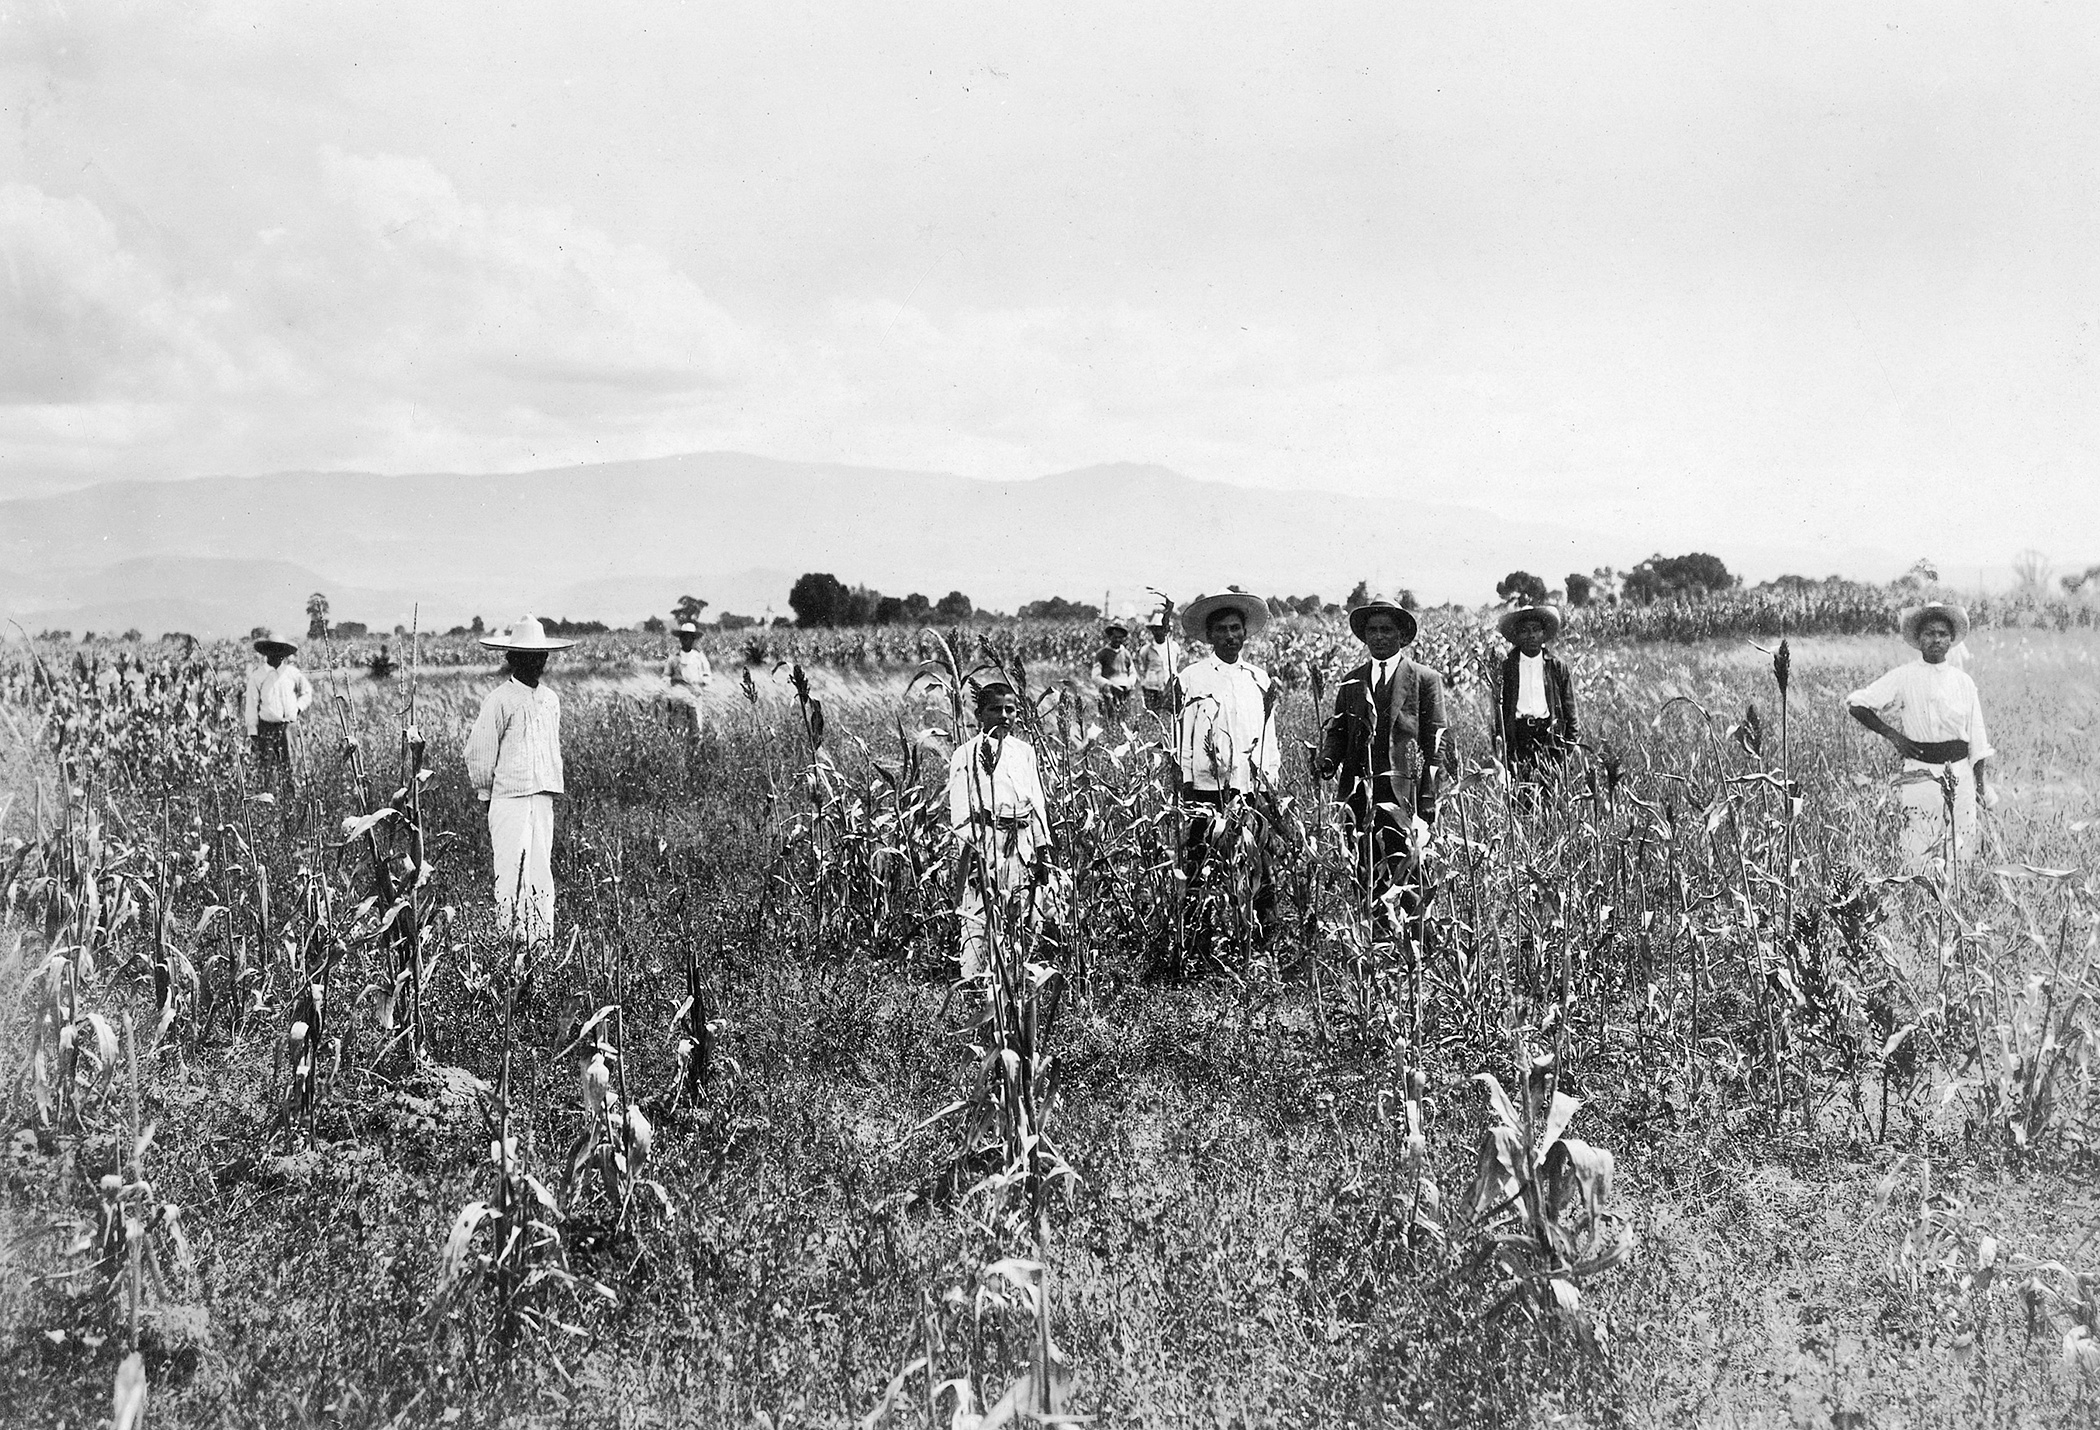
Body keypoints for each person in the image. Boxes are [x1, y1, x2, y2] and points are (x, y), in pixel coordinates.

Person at [1316, 595, 1446, 912]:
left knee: (1410, 869)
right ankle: (1376, 931)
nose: (1379, 637)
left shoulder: (1425, 679)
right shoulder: (1351, 681)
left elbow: (1436, 742)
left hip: (1404, 794)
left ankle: (1417, 932)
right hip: (1361, 794)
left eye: (1386, 630)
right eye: (1372, 630)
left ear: (1401, 635)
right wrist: (1328, 759)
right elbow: (1339, 730)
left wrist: (1428, 795)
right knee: (1366, 870)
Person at [1846, 603, 1996, 875]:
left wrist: (1980, 787)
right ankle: (1919, 893)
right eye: (1929, 633)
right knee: (1918, 846)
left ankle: (1956, 895)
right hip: (1919, 774)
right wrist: (1893, 736)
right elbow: (1856, 703)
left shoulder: (1962, 682)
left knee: (1961, 847)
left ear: (1951, 639)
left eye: (1942, 634)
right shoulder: (1904, 676)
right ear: (1918, 639)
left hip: (1960, 774)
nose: (1936, 640)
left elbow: (1978, 740)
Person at [1173, 590, 1281, 954]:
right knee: (1203, 865)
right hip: (1208, 790)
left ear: (1245, 633)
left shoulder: (1258, 679)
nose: (1230, 636)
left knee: (1258, 863)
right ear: (1210, 635)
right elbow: (1182, 738)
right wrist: (1187, 785)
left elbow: (1268, 738)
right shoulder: (1191, 678)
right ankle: (1199, 945)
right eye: (1221, 630)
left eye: (1236, 628)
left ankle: (1262, 941)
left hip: (1250, 789)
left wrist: (1269, 785)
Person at [465, 615, 575, 952]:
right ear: (513, 658)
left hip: (542, 797)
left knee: (541, 872)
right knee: (512, 872)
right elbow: (479, 751)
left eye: (540, 656)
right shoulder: (500, 699)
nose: (536, 663)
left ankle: (541, 946)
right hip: (509, 799)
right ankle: (511, 945)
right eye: (528, 656)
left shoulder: (550, 699)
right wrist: (486, 792)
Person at [947, 681, 1058, 980]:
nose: (1004, 716)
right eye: (996, 710)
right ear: (979, 714)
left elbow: (1037, 805)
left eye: (1010, 710)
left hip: (1022, 847)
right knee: (980, 919)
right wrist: (974, 860)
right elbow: (961, 815)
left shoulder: (1025, 752)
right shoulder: (965, 754)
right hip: (987, 845)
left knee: (1022, 917)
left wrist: (1043, 851)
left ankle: (1012, 982)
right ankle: (974, 984)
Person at [1492, 605, 1577, 779]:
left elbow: (1570, 711)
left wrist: (1568, 747)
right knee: (1521, 788)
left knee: (1549, 789)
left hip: (1549, 737)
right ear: (1517, 636)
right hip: (1519, 738)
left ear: (1543, 634)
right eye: (1524, 631)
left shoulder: (1556, 666)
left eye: (1536, 629)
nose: (1531, 635)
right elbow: (1498, 711)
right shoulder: (1507, 667)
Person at [243, 633, 314, 790]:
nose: (276, 654)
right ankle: (268, 798)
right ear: (266, 652)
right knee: (266, 768)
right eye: (273, 650)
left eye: (280, 651)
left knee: (291, 766)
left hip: (288, 727)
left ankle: (290, 797)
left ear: (284, 653)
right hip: (266, 728)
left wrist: (297, 708)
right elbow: (251, 706)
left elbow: (307, 692)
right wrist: (253, 732)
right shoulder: (258, 676)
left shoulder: (292, 673)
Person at [663, 620, 714, 741]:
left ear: (693, 639)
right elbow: (665, 677)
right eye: (683, 637)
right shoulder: (674, 657)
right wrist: (674, 682)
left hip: (694, 696)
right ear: (680, 639)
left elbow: (708, 677)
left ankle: (696, 746)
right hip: (678, 697)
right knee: (678, 726)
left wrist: (698, 684)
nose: (685, 640)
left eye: (689, 637)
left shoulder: (699, 657)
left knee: (695, 725)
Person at [1132, 612, 1177, 716]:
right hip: (1152, 687)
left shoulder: (1173, 647)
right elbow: (1143, 667)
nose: (1158, 632)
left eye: (1161, 628)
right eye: (1156, 629)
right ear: (1152, 630)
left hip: (1170, 685)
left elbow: (1175, 663)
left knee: (1169, 715)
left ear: (1166, 630)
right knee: (1153, 714)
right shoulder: (1146, 649)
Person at [1094, 621, 1136, 721]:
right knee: (1108, 719)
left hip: (1124, 692)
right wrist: (1110, 685)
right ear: (1110, 636)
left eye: (1120, 637)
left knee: (1124, 720)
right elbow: (1095, 676)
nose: (1117, 640)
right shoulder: (1102, 654)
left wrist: (1130, 683)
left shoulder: (1126, 654)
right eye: (1115, 637)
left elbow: (1132, 672)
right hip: (1109, 692)